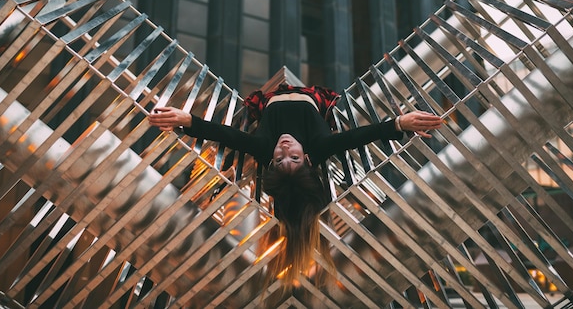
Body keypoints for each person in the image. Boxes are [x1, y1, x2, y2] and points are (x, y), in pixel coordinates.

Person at [148, 84, 442, 290]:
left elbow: (224, 135)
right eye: (294, 157)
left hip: (270, 100)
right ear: (309, 160)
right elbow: (360, 137)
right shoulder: (320, 146)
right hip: (312, 98)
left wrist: (186, 120)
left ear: (270, 163)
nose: (283, 147)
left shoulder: (263, 147)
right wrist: (400, 123)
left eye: (279, 158)